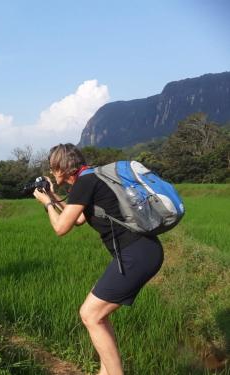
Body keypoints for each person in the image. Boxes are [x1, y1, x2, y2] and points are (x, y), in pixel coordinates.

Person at [33, 143, 163, 375]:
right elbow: (80, 218)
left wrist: (47, 203)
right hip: (141, 251)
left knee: (90, 315)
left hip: (136, 254)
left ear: (61, 168)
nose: (52, 174)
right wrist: (52, 194)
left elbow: (62, 228)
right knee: (98, 316)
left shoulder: (85, 182)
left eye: (53, 169)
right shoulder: (91, 177)